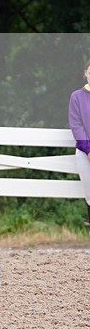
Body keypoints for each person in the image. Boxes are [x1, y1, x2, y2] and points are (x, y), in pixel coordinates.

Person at [68, 59, 90, 224]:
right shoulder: (77, 96)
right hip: (85, 152)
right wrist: (88, 149)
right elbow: (76, 125)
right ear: (85, 74)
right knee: (89, 192)